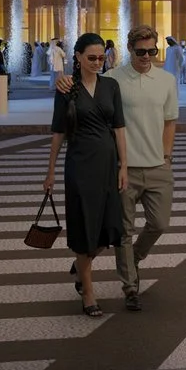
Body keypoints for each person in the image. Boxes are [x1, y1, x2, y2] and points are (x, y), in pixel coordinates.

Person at [56, 25, 176, 313]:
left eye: (152, 51)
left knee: (159, 223)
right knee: (123, 231)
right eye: (141, 51)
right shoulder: (112, 78)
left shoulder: (167, 80)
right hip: (123, 168)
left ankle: (130, 259)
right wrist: (64, 81)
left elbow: (170, 121)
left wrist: (167, 156)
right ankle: (130, 288)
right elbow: (85, 82)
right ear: (130, 50)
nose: (147, 56)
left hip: (158, 165)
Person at [41, 33, 126, 318]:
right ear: (77, 57)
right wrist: (50, 170)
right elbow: (58, 131)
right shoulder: (67, 88)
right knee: (83, 226)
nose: (98, 62)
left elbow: (119, 127)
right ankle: (88, 292)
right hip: (79, 165)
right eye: (91, 58)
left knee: (111, 227)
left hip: (108, 164)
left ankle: (80, 267)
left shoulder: (111, 85)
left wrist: (123, 165)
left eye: (102, 57)